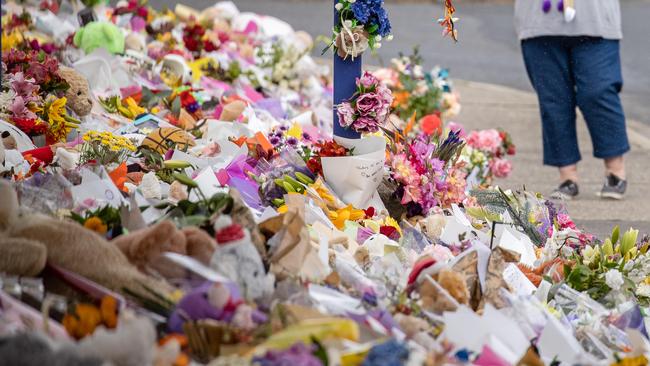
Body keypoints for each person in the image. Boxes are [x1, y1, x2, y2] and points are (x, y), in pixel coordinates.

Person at [514, 0, 629, 200]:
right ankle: (567, 176)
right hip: (539, 23)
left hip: (596, 20)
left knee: (598, 91)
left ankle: (615, 169)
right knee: (554, 101)